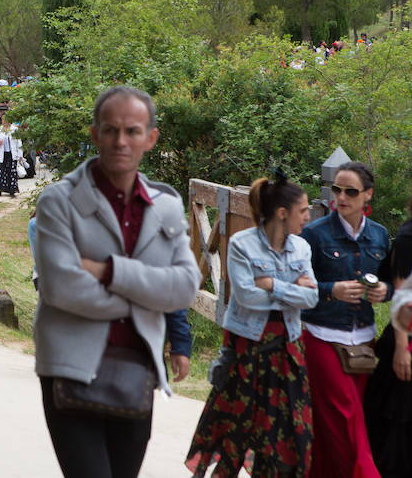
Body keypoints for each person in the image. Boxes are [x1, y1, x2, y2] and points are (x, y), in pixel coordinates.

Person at [33, 86, 200, 477]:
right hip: (70, 368)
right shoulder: (59, 201)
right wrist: (149, 295)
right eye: (110, 130)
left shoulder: (167, 205)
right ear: (94, 134)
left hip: (136, 370)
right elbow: (61, 287)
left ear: (150, 138)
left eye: (132, 131)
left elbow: (185, 287)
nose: (120, 141)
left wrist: (109, 272)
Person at [186, 173, 317, 477]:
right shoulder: (242, 244)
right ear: (282, 214)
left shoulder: (302, 248)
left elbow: (311, 298)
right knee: (238, 426)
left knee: (287, 431)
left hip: (288, 350)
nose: (308, 216)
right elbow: (246, 296)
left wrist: (272, 283)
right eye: (303, 210)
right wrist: (291, 289)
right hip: (249, 349)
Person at [299, 161, 391, 478]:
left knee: (342, 424)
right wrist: (331, 290)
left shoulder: (380, 236)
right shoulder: (313, 233)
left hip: (364, 341)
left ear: (368, 195)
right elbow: (296, 288)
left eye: (351, 191)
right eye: (336, 189)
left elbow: (391, 283)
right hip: (321, 336)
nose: (341, 197)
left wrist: (384, 290)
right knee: (345, 417)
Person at [365, 168, 412, 477]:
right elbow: (403, 295)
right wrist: (402, 349)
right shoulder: (410, 236)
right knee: (403, 429)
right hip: (411, 342)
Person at [0, 114, 22, 197]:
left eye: (7, 119)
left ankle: (11, 189)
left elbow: (19, 142)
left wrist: (20, 155)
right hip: (3, 153)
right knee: (0, 170)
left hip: (12, 153)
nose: (5, 121)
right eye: (3, 120)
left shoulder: (14, 129)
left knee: (11, 171)